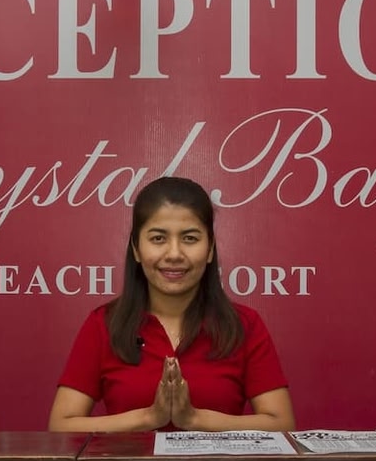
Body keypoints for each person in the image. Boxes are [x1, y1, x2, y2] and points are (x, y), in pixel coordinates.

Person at [48, 176, 295, 432]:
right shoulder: (104, 324)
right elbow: (61, 425)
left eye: (190, 238)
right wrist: (149, 418)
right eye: (158, 238)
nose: (174, 254)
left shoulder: (243, 325)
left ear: (210, 248)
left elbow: (281, 424)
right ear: (136, 248)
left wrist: (194, 419)